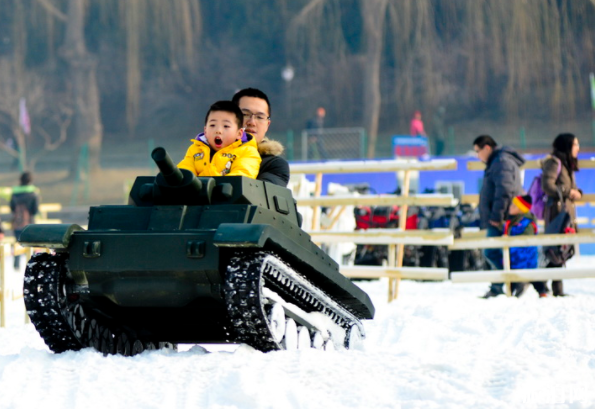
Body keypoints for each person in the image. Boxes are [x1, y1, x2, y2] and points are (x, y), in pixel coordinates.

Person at [473, 135, 525, 298]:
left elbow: (504, 191)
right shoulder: (498, 161)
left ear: (487, 147)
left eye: (478, 151)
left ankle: (515, 280)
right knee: (498, 252)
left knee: (491, 252)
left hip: (502, 217)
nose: (477, 155)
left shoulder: (501, 162)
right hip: (502, 216)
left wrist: (497, 216)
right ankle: (501, 284)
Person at [538, 133, 582, 297]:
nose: (578, 148)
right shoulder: (554, 162)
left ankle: (549, 286)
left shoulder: (566, 164)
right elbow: (547, 185)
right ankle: (543, 284)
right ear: (566, 146)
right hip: (556, 213)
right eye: (575, 144)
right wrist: (567, 191)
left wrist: (577, 192)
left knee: (561, 250)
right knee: (556, 250)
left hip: (565, 212)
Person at [178, 100, 261, 178]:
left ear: (239, 133)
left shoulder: (247, 152)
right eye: (212, 125)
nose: (218, 131)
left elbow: (243, 174)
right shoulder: (195, 150)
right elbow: (184, 171)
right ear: (205, 131)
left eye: (226, 126)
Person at [231, 88, 290, 187]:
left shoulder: (273, 165)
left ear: (267, 125)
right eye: (245, 114)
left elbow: (258, 197)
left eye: (259, 117)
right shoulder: (203, 153)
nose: (252, 122)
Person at [504, 195, 540, 297]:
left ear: (520, 210)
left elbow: (527, 243)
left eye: (514, 206)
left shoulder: (526, 224)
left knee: (530, 278)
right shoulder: (512, 221)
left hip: (523, 260)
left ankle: (543, 291)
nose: (510, 207)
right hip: (514, 259)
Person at [10, 171, 40, 268]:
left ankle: (16, 265)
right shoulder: (33, 193)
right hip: (29, 223)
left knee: (18, 243)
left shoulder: (14, 193)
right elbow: (35, 210)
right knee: (33, 244)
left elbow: (12, 208)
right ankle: (33, 265)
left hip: (17, 223)